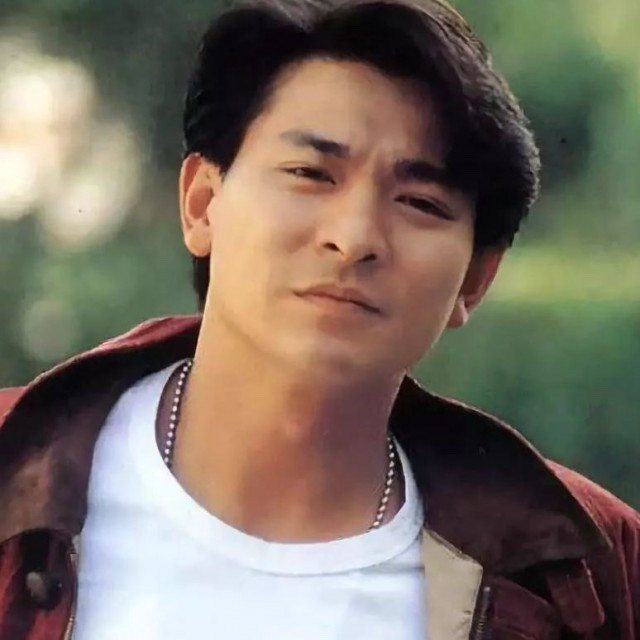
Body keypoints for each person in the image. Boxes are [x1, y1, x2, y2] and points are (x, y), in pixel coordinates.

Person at [0, 0, 638, 638]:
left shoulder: (592, 575)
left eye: (420, 202)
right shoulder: (17, 475)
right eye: (310, 174)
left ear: (474, 279)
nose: (354, 237)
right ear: (202, 203)